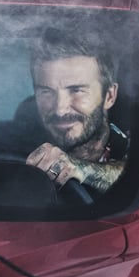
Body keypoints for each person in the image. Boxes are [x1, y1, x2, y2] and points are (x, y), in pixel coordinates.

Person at [24, 26, 128, 195]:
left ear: (109, 96)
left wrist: (79, 169)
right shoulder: (16, 145)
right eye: (46, 92)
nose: (60, 109)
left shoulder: (135, 149)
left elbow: (132, 175)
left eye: (76, 90)